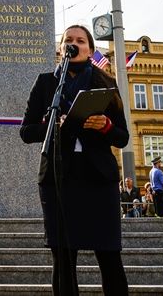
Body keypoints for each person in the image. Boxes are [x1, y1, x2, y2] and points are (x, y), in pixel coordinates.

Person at [20, 24, 129, 296]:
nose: (74, 43)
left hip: (99, 179)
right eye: (68, 39)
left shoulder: (106, 83)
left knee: (109, 256)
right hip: (59, 179)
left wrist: (105, 126)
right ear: (61, 49)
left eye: (81, 40)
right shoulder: (46, 83)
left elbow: (122, 137)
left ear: (90, 50)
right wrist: (52, 124)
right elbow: (26, 132)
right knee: (64, 260)